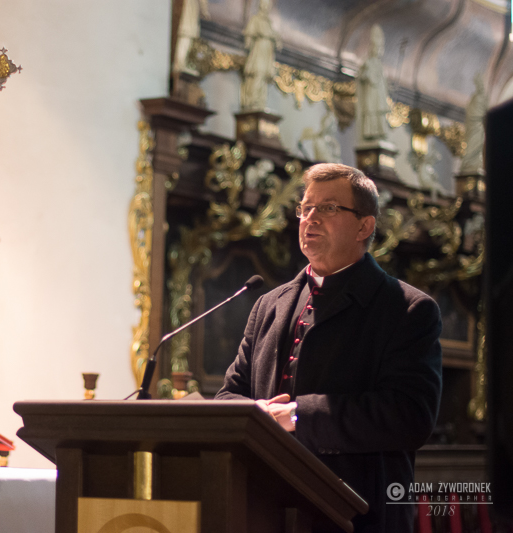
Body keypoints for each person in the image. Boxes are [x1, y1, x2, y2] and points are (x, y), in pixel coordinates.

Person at [216, 163, 442, 533]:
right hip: (262, 511)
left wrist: (298, 416)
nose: (311, 218)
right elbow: (228, 395)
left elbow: (409, 416)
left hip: (356, 515)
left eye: (329, 208)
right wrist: (257, 414)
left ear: (364, 227)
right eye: (305, 208)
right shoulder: (269, 305)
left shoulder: (407, 309)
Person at [240, 0, 281, 111]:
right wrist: (248, 43)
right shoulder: (256, 19)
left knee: (263, 77)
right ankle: (251, 102)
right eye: (264, 4)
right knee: (257, 73)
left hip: (267, 53)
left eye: (268, 5)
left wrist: (277, 41)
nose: (266, 7)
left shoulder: (269, 23)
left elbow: (275, 36)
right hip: (259, 50)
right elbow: (249, 33)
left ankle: (260, 102)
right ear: (260, 5)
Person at [356, 25, 390, 143]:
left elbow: (383, 80)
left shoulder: (380, 65)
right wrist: (367, 75)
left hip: (379, 93)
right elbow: (363, 76)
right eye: (376, 48)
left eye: (380, 48)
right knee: (371, 111)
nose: (378, 50)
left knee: (379, 111)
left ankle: (380, 131)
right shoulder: (368, 62)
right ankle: (370, 132)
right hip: (371, 92)